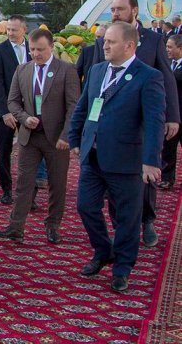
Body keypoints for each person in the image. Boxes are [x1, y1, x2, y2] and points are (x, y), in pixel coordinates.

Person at [69, 22, 165, 292]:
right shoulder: (97, 70)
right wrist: (75, 138)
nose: (105, 45)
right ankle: (103, 251)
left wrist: (150, 161)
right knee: (85, 207)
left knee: (126, 218)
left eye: (111, 42)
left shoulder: (148, 76)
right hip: (93, 156)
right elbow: (84, 107)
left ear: (129, 46)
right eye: (104, 41)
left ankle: (122, 268)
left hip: (126, 160)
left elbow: (155, 122)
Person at [92, 0, 180, 247]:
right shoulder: (104, 40)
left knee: (146, 169)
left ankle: (147, 221)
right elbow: (99, 80)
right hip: (112, 120)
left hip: (144, 120)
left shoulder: (153, 40)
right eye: (112, 9)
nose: (115, 13)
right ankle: (120, 224)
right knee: (112, 173)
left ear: (134, 10)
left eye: (120, 9)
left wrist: (172, 116)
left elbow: (167, 77)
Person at [0, 29, 80, 244]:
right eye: (32, 49)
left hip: (56, 139)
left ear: (51, 47)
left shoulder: (66, 70)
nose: (36, 54)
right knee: (23, 182)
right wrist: (23, 118)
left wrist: (66, 136)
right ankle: (16, 227)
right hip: (29, 136)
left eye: (40, 49)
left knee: (57, 184)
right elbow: (12, 101)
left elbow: (74, 106)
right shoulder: (22, 70)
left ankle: (52, 225)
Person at [0, 15, 31, 204]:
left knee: (30, 151)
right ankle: (6, 189)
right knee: (4, 149)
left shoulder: (33, 49)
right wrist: (6, 111)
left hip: (29, 110)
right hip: (5, 110)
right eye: (8, 29)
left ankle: (29, 193)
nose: (11, 33)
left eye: (14, 29)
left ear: (24, 29)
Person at [160, 34, 182, 190]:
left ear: (180, 48)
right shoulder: (166, 64)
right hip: (171, 115)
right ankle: (167, 179)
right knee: (168, 149)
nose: (167, 49)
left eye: (170, 47)